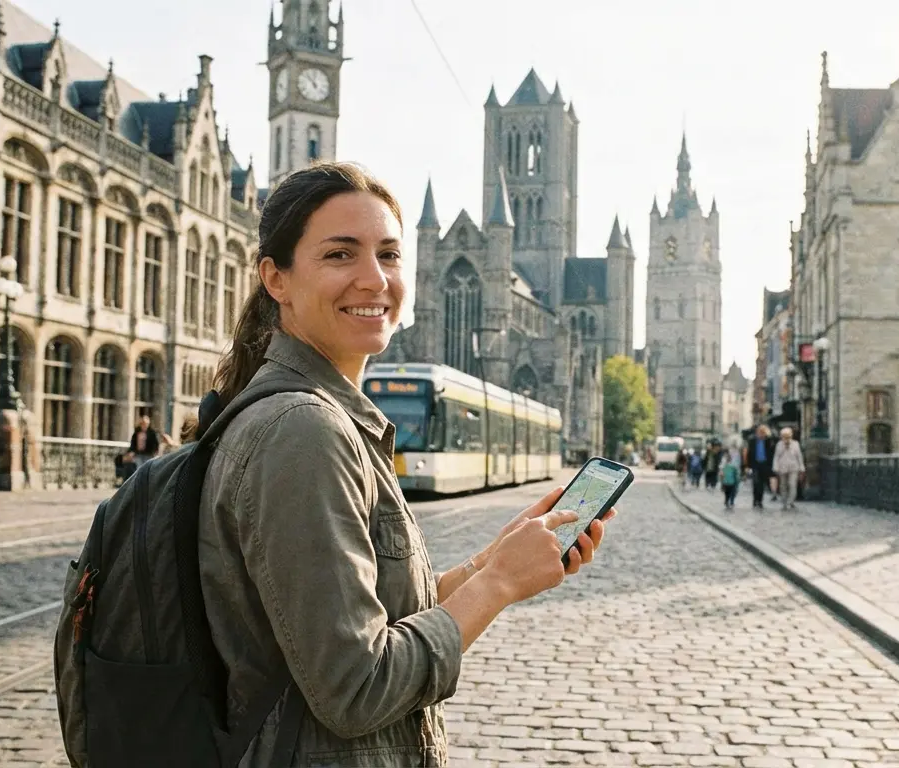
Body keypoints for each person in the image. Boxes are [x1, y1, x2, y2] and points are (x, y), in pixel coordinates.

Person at [197, 163, 615, 765]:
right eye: (341, 254)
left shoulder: (324, 416)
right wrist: (498, 586)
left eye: (389, 255)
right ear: (276, 279)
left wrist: (492, 561)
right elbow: (356, 688)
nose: (374, 279)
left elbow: (372, 617)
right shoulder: (303, 431)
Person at [773, 427, 805, 511]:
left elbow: (799, 456)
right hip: (782, 467)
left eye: (787, 436)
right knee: (783, 486)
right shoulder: (779, 444)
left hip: (793, 467)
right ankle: (784, 502)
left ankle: (790, 502)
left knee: (792, 484)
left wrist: (802, 468)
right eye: (784, 436)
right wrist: (775, 467)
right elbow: (776, 456)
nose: (786, 438)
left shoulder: (795, 444)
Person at [745, 425, 777, 510]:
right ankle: (755, 500)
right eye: (760, 432)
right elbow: (749, 454)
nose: (761, 434)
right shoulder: (752, 441)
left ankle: (760, 501)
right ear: (757, 433)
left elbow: (773, 448)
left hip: (764, 465)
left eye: (763, 432)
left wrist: (769, 436)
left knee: (762, 485)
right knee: (756, 483)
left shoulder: (768, 442)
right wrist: (748, 466)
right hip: (755, 465)